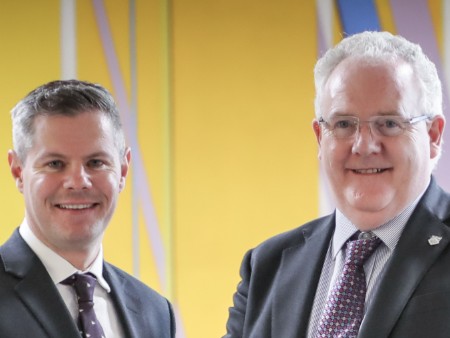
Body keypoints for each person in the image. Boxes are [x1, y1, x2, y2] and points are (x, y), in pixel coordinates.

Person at [224, 31, 450, 338]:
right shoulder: (267, 266)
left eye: (389, 123)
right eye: (343, 124)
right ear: (320, 137)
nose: (364, 145)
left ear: (433, 136)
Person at [0, 80, 175, 337]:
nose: (78, 181)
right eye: (55, 164)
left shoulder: (156, 312)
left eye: (95, 162)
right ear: (18, 172)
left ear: (123, 170)